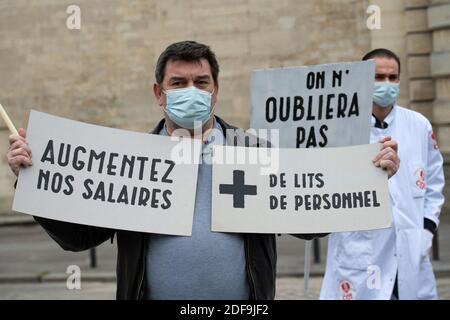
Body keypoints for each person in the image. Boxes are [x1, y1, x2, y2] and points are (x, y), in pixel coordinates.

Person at [6, 41, 400, 300]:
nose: (191, 91)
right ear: (158, 93)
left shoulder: (253, 152)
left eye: (201, 81)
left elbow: (309, 219)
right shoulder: (131, 160)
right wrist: (32, 178)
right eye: (178, 83)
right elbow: (79, 238)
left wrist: (370, 175)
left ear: (215, 90)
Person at [320, 48, 445, 300]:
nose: (386, 84)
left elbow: (433, 181)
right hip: (361, 255)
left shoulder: (418, 125)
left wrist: (426, 231)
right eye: (378, 77)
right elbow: (326, 186)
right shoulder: (340, 129)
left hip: (409, 250)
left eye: (392, 77)